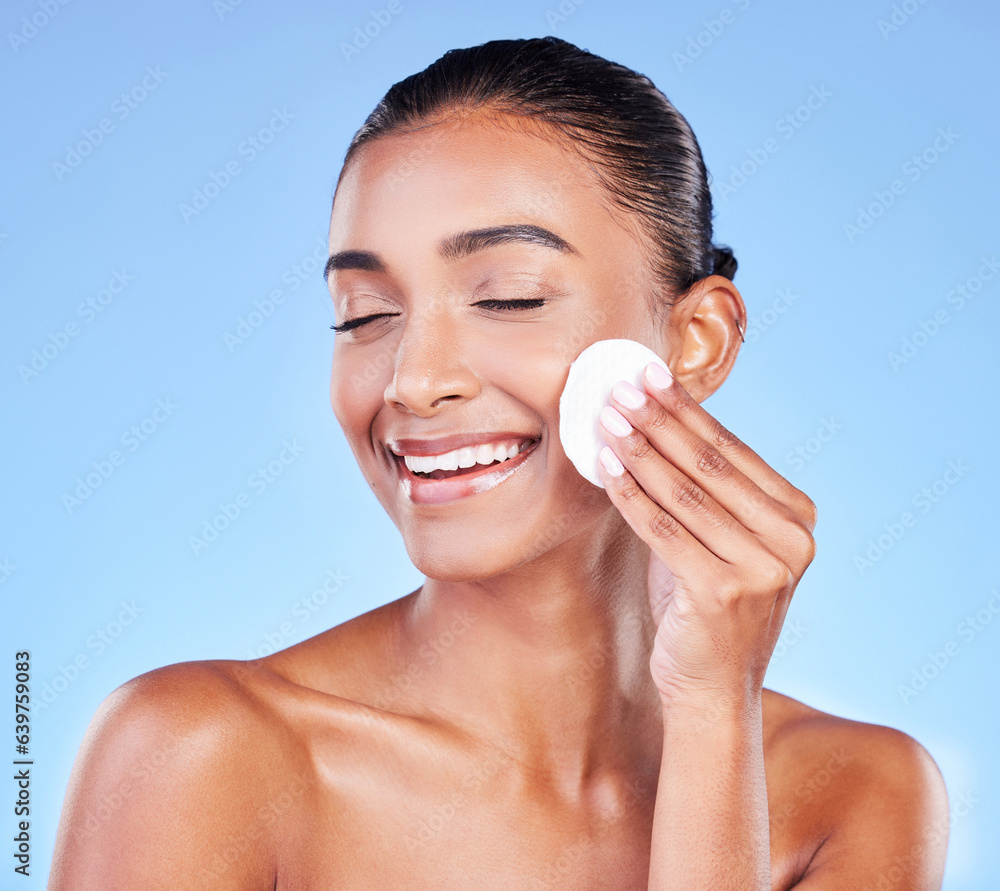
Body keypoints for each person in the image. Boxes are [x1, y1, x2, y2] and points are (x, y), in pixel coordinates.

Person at [49, 37, 949, 889]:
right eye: (363, 312)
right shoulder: (199, 756)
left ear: (697, 340)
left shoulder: (857, 790)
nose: (415, 380)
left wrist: (715, 712)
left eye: (508, 296)